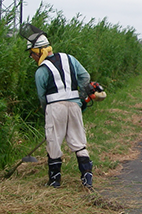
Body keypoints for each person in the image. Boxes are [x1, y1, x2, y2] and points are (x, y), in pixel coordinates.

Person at [26, 32, 94, 189]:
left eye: (32, 55)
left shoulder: (41, 71)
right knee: (79, 141)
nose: (33, 58)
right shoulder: (69, 58)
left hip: (55, 107)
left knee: (54, 141)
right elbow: (85, 77)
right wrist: (81, 98)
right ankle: (87, 179)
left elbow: (42, 97)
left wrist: (46, 113)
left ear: (39, 51)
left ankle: (55, 181)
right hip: (74, 106)